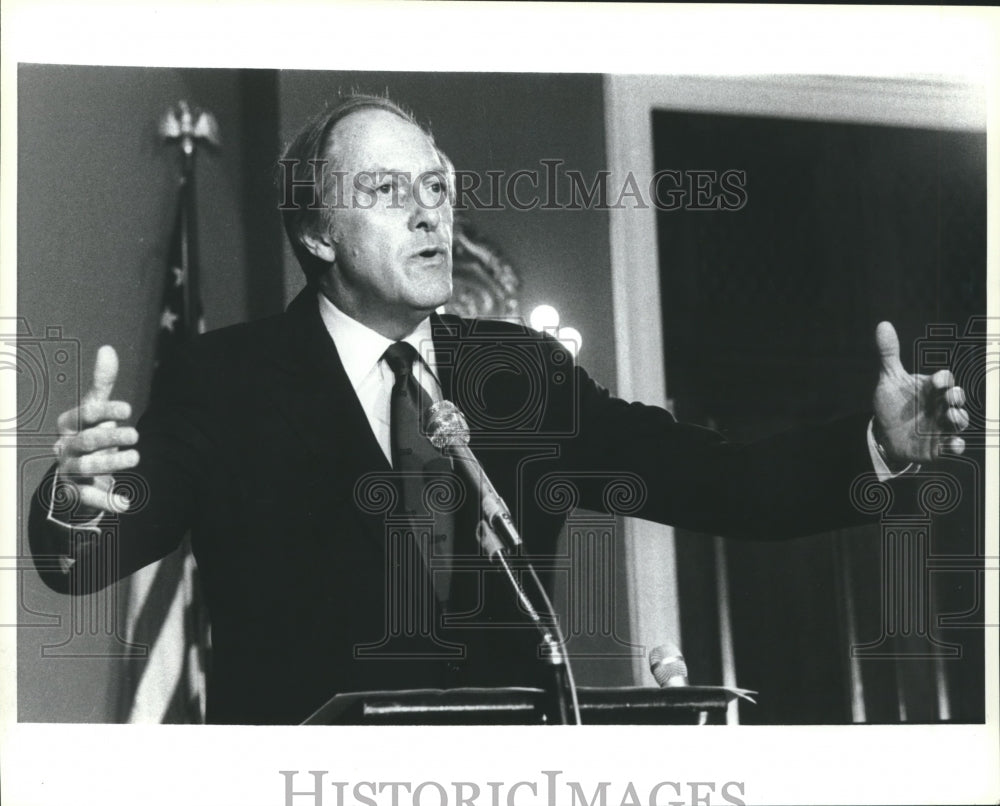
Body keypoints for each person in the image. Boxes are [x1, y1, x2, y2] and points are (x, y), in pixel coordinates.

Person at [28, 94, 970, 725]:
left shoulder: (522, 374)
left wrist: (874, 448)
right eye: (390, 192)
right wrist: (78, 499)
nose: (432, 213)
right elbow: (92, 553)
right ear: (317, 231)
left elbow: (717, 480)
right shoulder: (227, 378)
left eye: (437, 187)